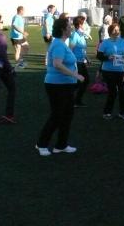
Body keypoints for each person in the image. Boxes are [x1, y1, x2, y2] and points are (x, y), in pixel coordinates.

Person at [36, 17, 85, 156]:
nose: (72, 28)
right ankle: (41, 144)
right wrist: (76, 75)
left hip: (66, 85)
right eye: (69, 26)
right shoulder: (58, 44)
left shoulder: (62, 44)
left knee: (67, 115)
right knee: (57, 115)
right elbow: (57, 64)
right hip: (56, 85)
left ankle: (61, 145)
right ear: (64, 30)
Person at [97, 23, 124, 120]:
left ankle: (123, 112)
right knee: (112, 92)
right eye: (115, 30)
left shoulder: (123, 41)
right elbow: (99, 56)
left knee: (123, 92)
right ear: (110, 31)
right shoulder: (105, 43)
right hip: (108, 71)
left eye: (118, 30)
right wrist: (107, 57)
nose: (117, 32)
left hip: (121, 70)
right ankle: (107, 112)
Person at [0, 14, 17, 125]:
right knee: (12, 88)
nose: (3, 23)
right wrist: (10, 69)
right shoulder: (0, 36)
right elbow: (2, 55)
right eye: (2, 22)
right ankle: (9, 115)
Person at [70, 16, 89, 108]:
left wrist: (87, 58)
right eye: (84, 23)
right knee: (78, 82)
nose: (85, 25)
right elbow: (70, 49)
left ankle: (76, 100)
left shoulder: (81, 35)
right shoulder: (75, 35)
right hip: (76, 62)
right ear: (80, 24)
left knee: (84, 81)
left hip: (82, 61)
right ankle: (72, 100)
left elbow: (82, 49)